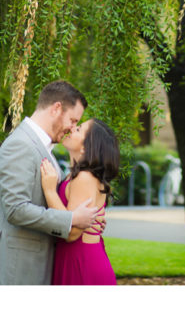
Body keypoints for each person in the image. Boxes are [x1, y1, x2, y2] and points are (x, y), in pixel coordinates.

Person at [0, 80, 106, 284]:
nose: (72, 128)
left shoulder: (40, 145)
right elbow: (16, 209)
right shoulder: (20, 145)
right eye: (73, 120)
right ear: (56, 108)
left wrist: (91, 216)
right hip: (22, 266)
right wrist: (72, 220)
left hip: (39, 261)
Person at [41, 118, 120, 284]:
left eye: (78, 130)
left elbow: (71, 233)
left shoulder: (84, 177)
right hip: (76, 257)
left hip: (81, 263)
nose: (72, 128)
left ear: (86, 147)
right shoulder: (77, 175)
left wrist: (49, 191)